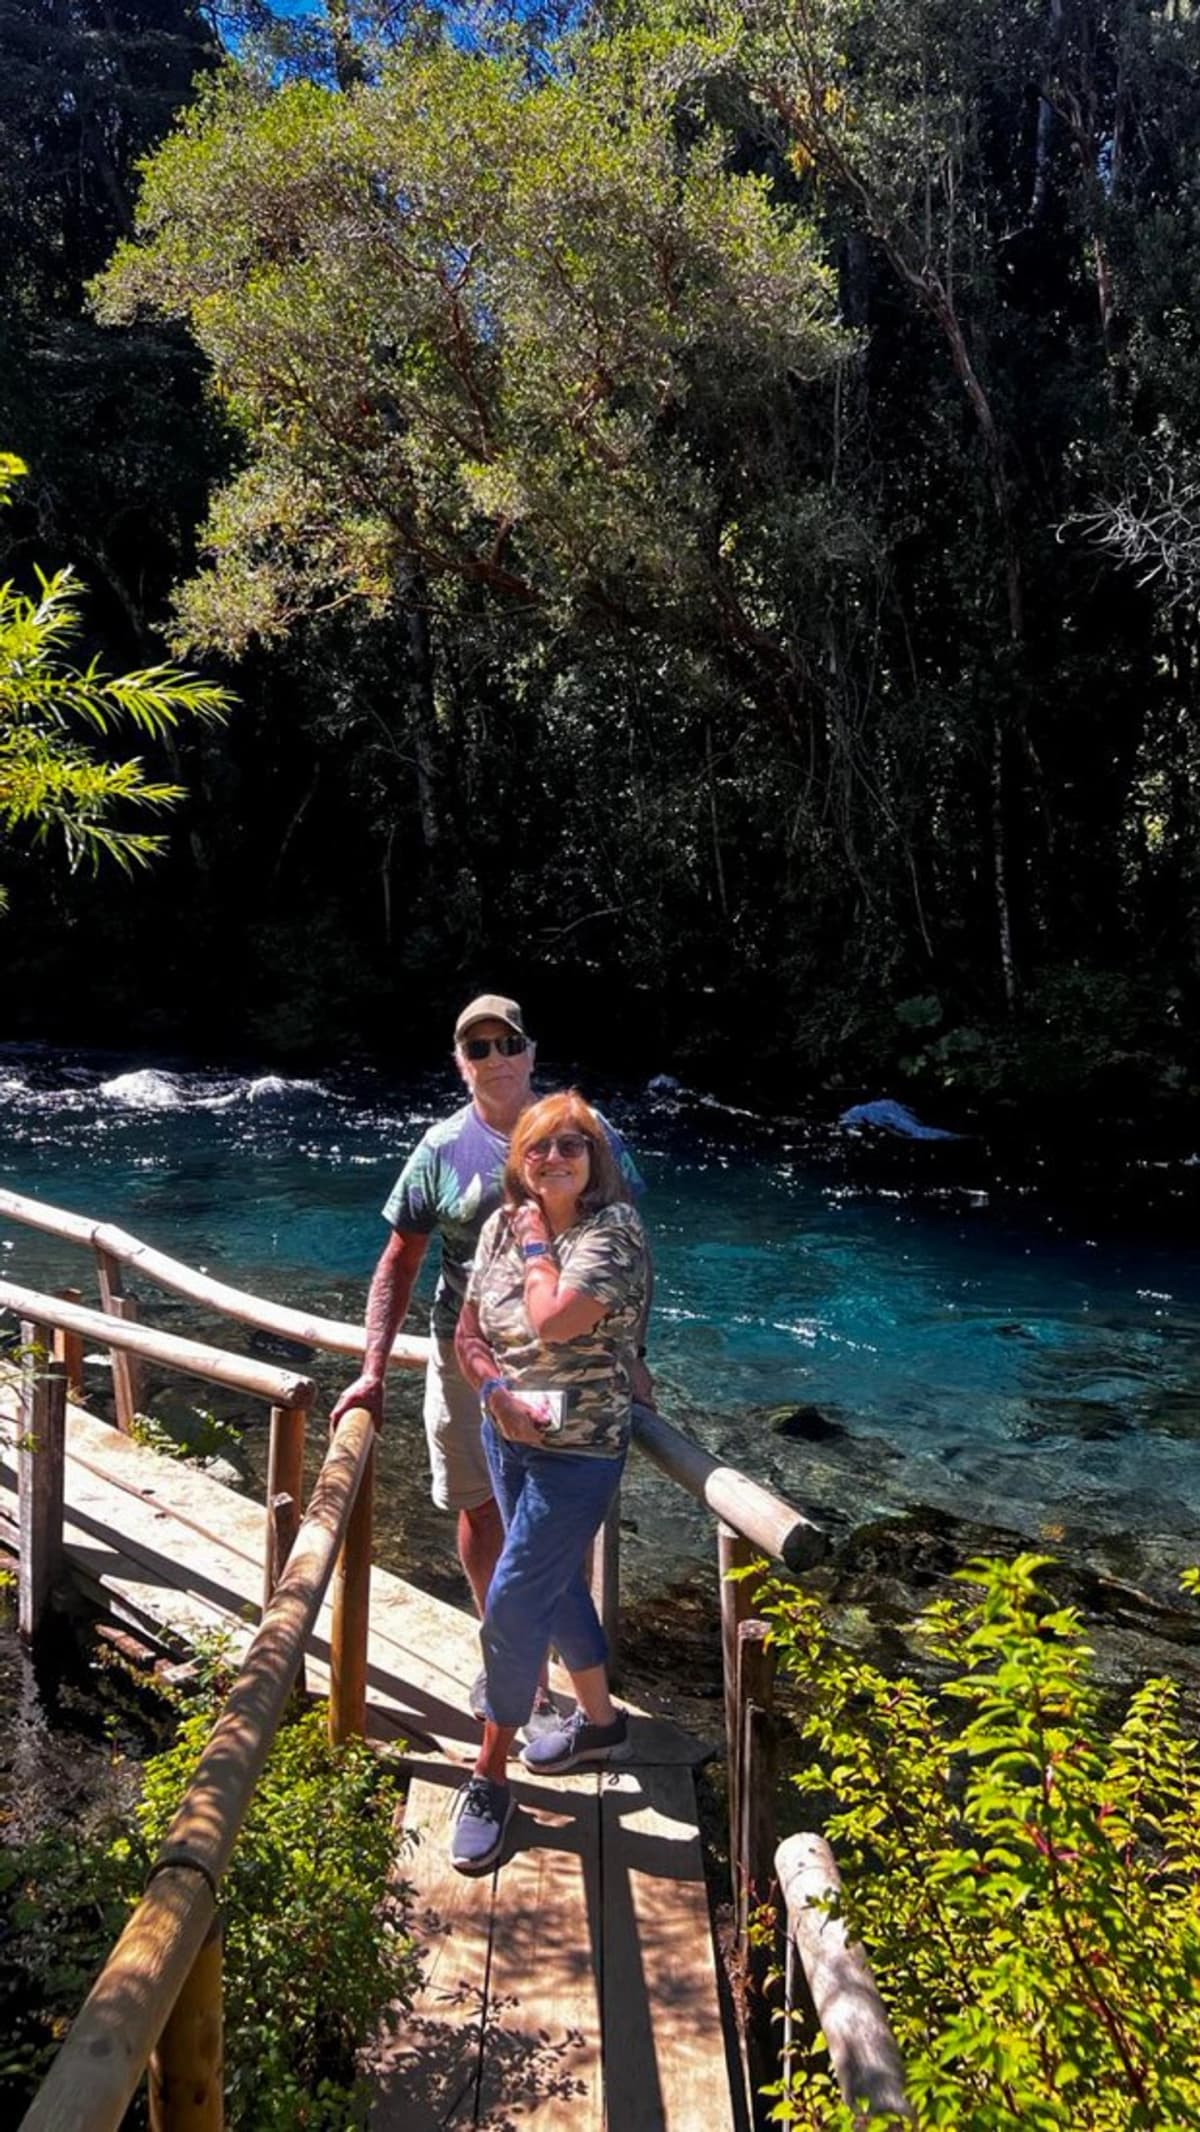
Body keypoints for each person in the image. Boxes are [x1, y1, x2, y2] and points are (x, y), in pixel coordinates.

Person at [330, 994, 647, 1723]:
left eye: (509, 1044)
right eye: (479, 1048)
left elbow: (632, 1254)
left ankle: (556, 1674)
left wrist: (637, 1355)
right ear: (458, 1063)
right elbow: (399, 1258)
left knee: (551, 1524)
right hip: (464, 1352)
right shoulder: (440, 1149)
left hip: (577, 1365)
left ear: (533, 1053)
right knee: (479, 1507)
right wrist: (372, 1368)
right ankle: (520, 1668)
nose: (496, 1059)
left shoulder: (588, 1134)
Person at [448, 1088, 650, 1872]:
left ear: (594, 1160)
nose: (556, 1157)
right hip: (508, 1436)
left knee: (514, 1600)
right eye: (539, 1147)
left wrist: (537, 1245)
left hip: (581, 1451)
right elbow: (470, 1335)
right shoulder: (499, 1225)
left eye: (573, 1145)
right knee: (555, 1584)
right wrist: (494, 1394)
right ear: (519, 1163)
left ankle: (488, 1776)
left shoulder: (614, 1230)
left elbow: (554, 1320)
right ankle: (601, 1725)